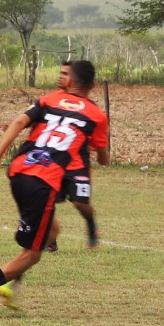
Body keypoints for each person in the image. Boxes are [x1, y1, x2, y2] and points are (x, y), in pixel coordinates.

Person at [0, 58, 109, 317]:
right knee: (32, 254)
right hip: (43, 180)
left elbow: (19, 123)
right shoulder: (96, 115)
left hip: (19, 171)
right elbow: (103, 157)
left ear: (70, 81)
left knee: (52, 229)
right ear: (93, 85)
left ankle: (11, 286)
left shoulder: (50, 100)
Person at [46, 61, 107, 251]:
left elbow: (96, 132)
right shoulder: (50, 100)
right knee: (45, 202)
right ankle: (51, 239)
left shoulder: (89, 107)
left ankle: (91, 224)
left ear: (74, 79)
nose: (61, 77)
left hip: (77, 164)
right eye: (60, 73)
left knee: (80, 203)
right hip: (53, 163)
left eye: (65, 73)